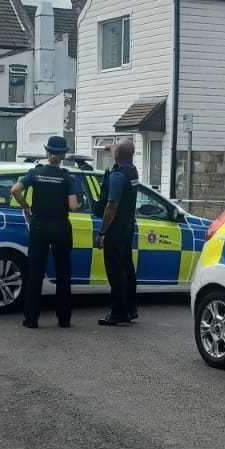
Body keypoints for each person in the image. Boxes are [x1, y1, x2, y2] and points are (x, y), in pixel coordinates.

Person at [11, 136, 80, 329]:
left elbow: (15, 190)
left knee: (35, 273)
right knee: (63, 274)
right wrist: (78, 204)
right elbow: (73, 207)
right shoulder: (68, 177)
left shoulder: (35, 173)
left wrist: (27, 207)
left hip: (39, 226)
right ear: (63, 155)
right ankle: (64, 319)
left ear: (47, 153)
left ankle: (31, 319)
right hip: (60, 227)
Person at [97, 138, 139, 326]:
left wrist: (103, 232)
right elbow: (121, 151)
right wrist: (114, 148)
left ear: (117, 155)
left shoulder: (117, 176)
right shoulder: (132, 171)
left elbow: (111, 206)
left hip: (115, 229)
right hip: (128, 226)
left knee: (115, 272)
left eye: (114, 149)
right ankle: (130, 309)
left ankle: (118, 312)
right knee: (127, 269)